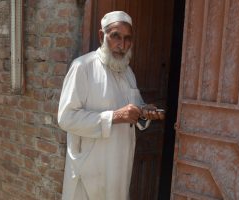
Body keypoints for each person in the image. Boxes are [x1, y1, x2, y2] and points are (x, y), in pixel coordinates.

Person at [58, 11, 164, 200]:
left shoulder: (128, 72)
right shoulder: (83, 67)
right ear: (101, 36)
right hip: (89, 171)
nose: (122, 45)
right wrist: (114, 117)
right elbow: (66, 118)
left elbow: (134, 108)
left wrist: (145, 111)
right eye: (116, 36)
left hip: (119, 169)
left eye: (127, 39)